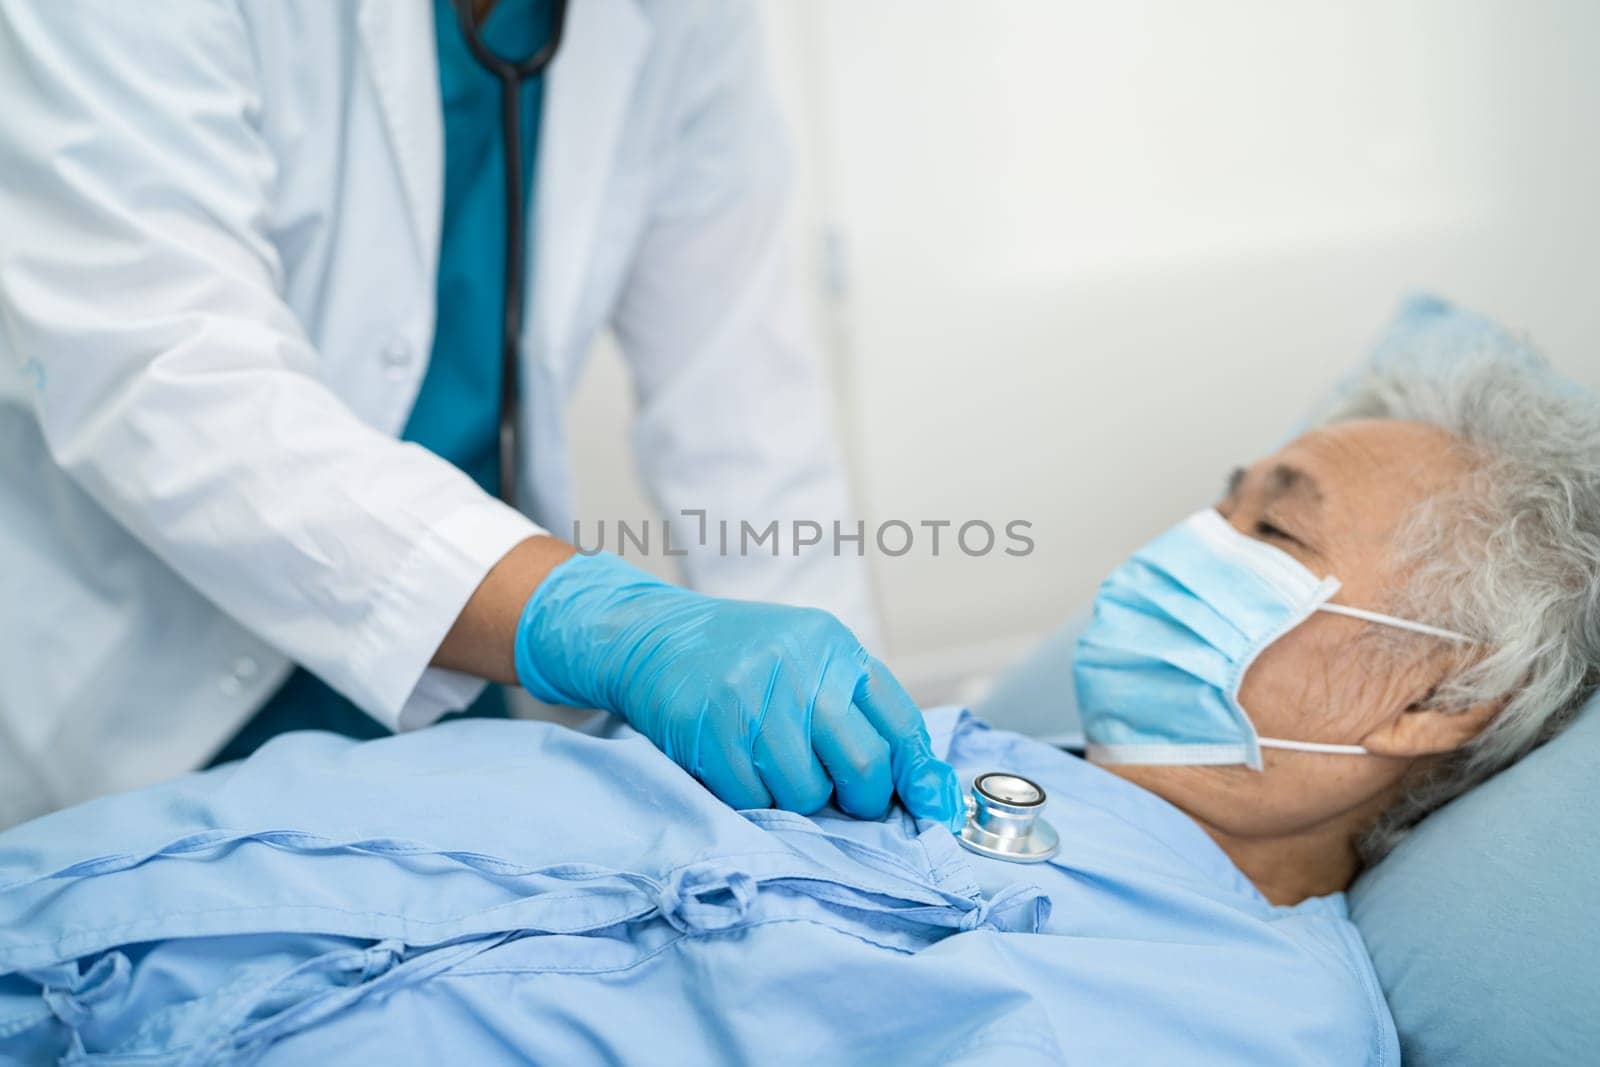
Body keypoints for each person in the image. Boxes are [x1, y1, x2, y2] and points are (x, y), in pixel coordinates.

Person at [4, 324, 1595, 1063]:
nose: (1190, 544)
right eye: (1218, 495)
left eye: (1271, 527)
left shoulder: (1245, 1018)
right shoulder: (884, 735)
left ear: (1428, 703)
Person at [0, 0, 962, 832]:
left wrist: (843, 755)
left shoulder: (681, 20)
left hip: (454, 700)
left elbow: (747, 401)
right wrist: (594, 619)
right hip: (131, 707)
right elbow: (171, 376)